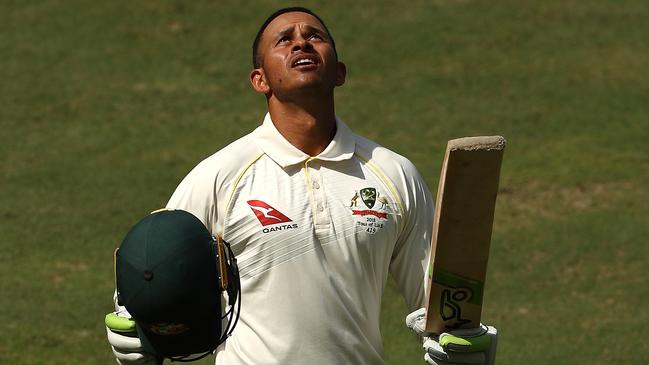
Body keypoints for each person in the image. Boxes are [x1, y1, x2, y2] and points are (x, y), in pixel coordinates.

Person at [106, 7, 497, 365]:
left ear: (339, 72)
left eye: (314, 36)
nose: (301, 42)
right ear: (259, 80)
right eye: (284, 39)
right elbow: (154, 269)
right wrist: (140, 333)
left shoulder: (393, 174)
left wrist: (464, 342)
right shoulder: (220, 176)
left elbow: (440, 307)